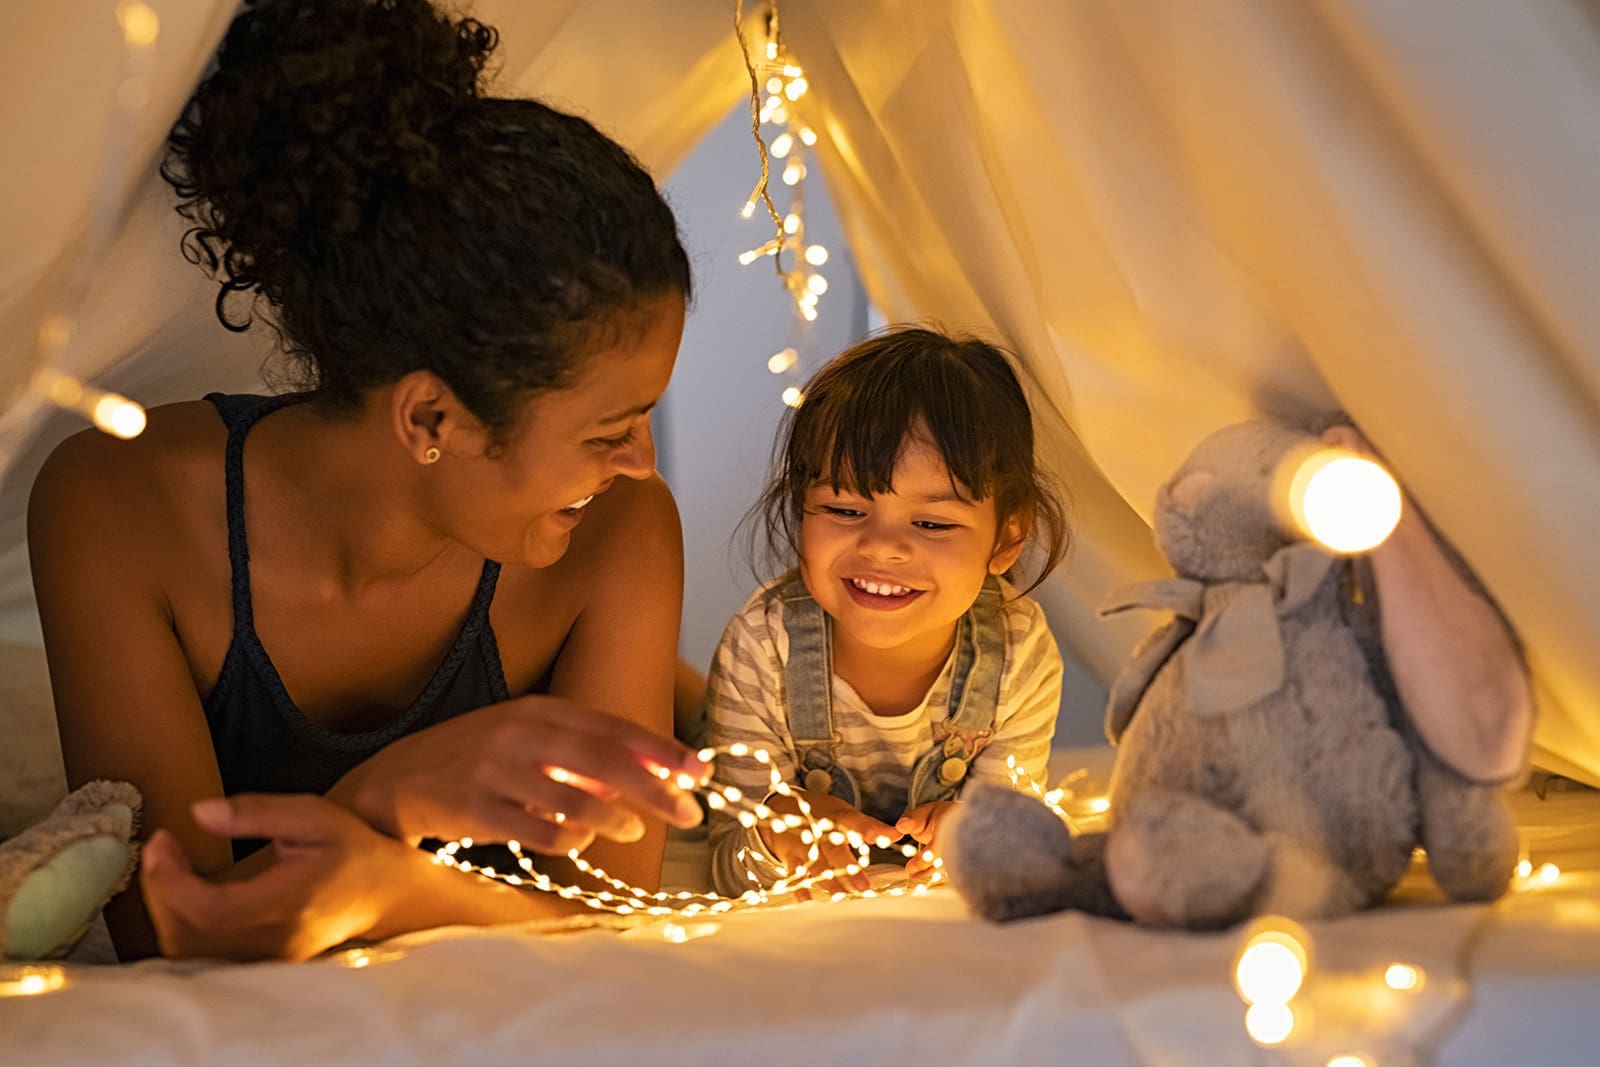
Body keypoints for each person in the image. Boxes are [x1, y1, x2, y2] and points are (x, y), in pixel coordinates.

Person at [27, 0, 707, 962]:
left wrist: (388, 879)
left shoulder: (620, 532)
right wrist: (392, 794)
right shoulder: (117, 505)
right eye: (610, 429)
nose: (640, 461)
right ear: (431, 417)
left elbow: (605, 923)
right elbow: (173, 933)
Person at [703, 327, 1071, 897]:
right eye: (844, 509)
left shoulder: (1018, 653)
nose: (881, 547)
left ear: (1006, 538)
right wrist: (779, 836)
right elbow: (727, 865)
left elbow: (1015, 847)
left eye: (932, 523)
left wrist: (976, 840)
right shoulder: (763, 646)